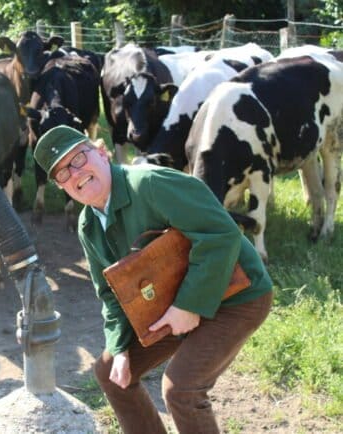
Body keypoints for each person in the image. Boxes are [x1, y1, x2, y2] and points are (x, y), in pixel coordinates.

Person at [33, 125, 273, 434]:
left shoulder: (149, 184)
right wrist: (119, 349)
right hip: (172, 299)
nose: (75, 173)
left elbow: (220, 234)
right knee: (111, 372)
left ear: (102, 152)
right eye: (62, 173)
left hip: (237, 294)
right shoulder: (88, 225)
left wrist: (189, 306)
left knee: (181, 389)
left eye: (79, 158)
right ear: (61, 186)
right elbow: (110, 292)